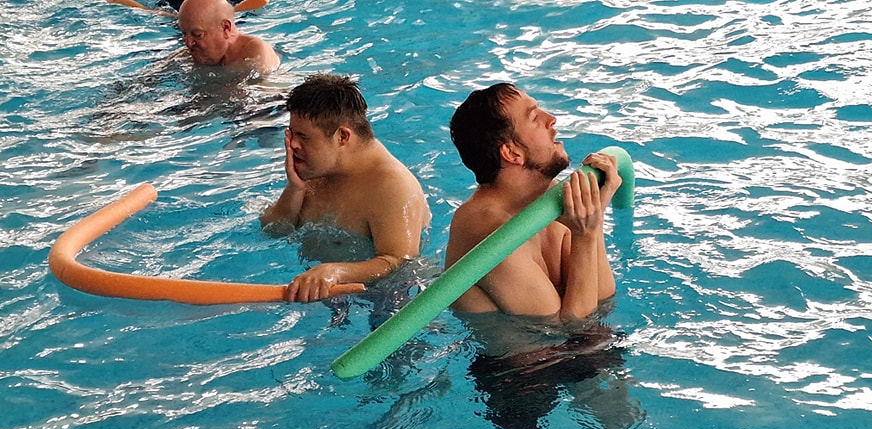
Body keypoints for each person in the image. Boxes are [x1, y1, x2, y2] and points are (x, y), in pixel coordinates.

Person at [445, 82, 621, 321]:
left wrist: (594, 217)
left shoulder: (547, 195)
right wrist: (586, 235)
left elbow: (603, 299)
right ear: (512, 153)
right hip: (530, 345)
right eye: (535, 118)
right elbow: (569, 328)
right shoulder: (488, 232)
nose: (551, 119)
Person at [260, 74, 431, 303]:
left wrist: (336, 272)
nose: (292, 144)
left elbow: (398, 262)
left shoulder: (393, 186)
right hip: (322, 293)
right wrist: (295, 188)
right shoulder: (318, 168)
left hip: (386, 297)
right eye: (292, 133)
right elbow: (274, 231)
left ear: (342, 136)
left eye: (303, 137)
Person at [176, 0, 279, 74]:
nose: (188, 43)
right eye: (184, 34)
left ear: (225, 28)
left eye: (198, 35)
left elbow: (266, 92)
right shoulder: (186, 56)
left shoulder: (254, 52)